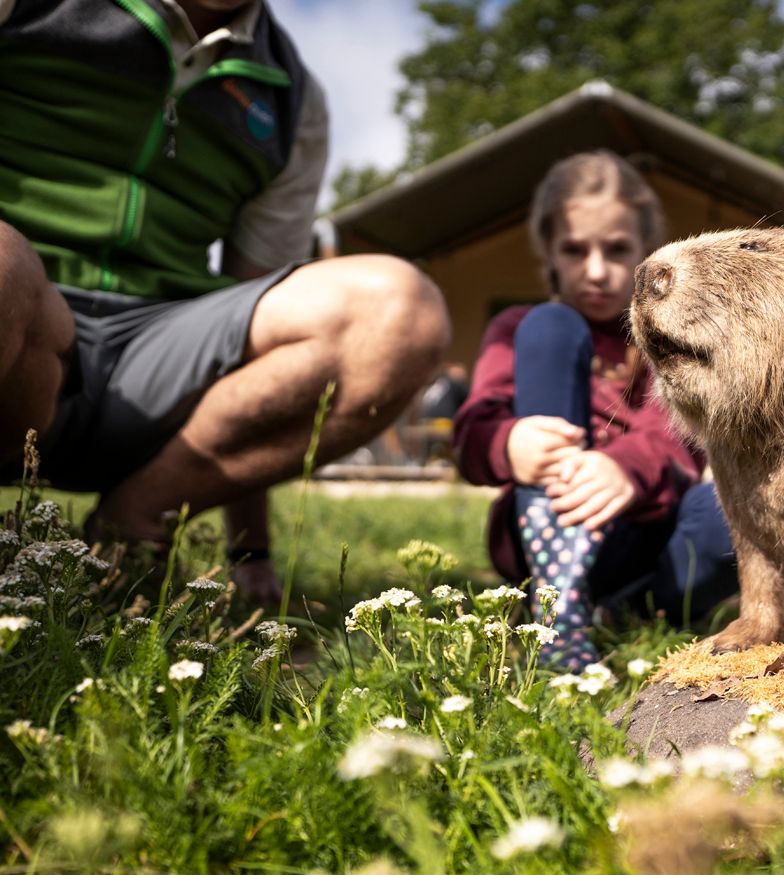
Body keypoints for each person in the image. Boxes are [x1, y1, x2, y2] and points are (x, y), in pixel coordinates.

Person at [0, 0, 450, 603]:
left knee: (400, 311)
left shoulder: (294, 100)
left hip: (158, 356)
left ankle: (136, 519)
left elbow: (255, 295)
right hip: (21, 320)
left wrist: (250, 549)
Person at [452, 152, 737, 670]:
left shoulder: (668, 337)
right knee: (550, 326)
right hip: (545, 524)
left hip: (643, 536)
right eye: (575, 250)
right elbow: (473, 428)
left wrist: (624, 468)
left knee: (730, 514)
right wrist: (507, 442)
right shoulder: (517, 326)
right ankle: (559, 601)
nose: (597, 271)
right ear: (549, 252)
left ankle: (615, 610)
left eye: (617, 249)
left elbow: (678, 442)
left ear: (647, 252)